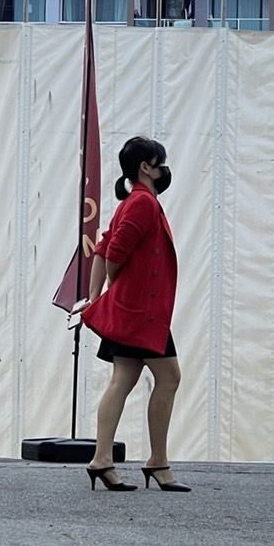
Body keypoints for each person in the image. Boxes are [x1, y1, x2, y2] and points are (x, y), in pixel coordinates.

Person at [78, 136, 190, 492]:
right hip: (143, 312)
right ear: (146, 167)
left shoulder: (131, 201)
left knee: (122, 381)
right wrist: (114, 289)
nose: (164, 168)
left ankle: (101, 459)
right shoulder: (142, 202)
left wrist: (98, 296)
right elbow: (114, 253)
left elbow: (103, 247)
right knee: (169, 378)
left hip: (133, 309)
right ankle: (157, 461)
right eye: (161, 161)